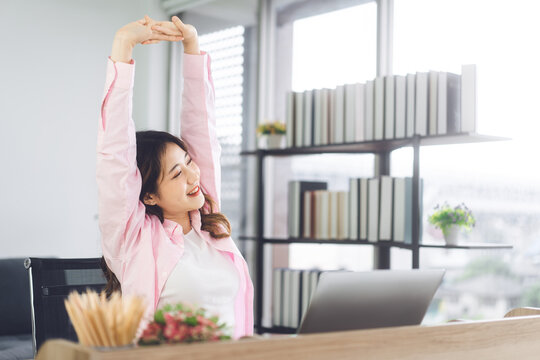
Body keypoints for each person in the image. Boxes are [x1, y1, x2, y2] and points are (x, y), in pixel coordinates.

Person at [97, 15, 254, 340]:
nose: (193, 174)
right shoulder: (133, 238)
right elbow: (114, 154)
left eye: (188, 162)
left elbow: (202, 130)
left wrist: (192, 45)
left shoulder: (209, 225)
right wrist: (123, 46)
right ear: (148, 195)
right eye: (176, 173)